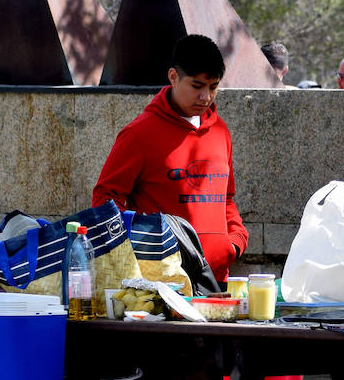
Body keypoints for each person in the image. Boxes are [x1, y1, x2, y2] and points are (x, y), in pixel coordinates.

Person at [93, 34, 247, 283]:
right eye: (197, 86)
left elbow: (227, 199)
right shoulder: (138, 134)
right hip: (163, 282)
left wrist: (235, 241)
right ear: (173, 77)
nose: (205, 97)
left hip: (216, 279)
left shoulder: (221, 131)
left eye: (213, 87)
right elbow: (105, 201)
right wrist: (147, 246)